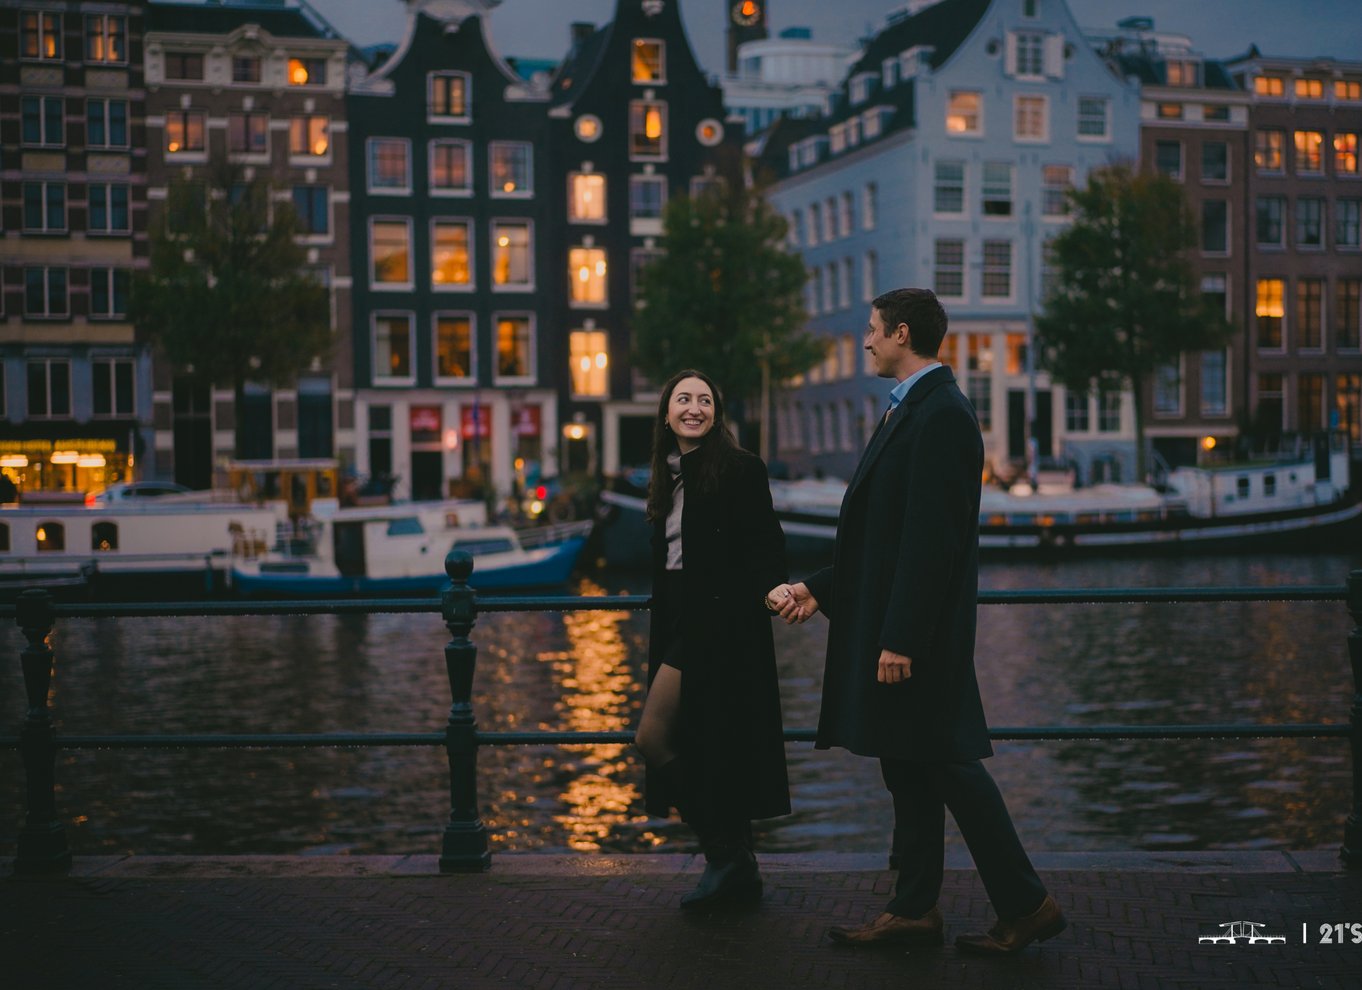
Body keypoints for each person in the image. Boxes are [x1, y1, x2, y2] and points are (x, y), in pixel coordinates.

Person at [769, 289, 1065, 954]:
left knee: (949, 764)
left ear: (902, 333)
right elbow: (885, 537)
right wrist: (818, 588)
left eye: (873, 330)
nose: (866, 341)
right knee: (907, 766)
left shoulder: (942, 415)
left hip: (916, 638)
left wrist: (901, 637)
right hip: (900, 629)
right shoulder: (914, 409)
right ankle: (914, 908)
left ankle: (1027, 905)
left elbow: (932, 542)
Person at [635, 369, 791, 909]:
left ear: (716, 414)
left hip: (721, 625)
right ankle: (732, 865)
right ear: (666, 413)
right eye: (683, 399)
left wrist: (775, 589)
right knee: (707, 744)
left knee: (653, 737)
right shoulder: (667, 475)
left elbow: (766, 544)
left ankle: (725, 854)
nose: (694, 408)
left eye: (705, 400)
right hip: (677, 621)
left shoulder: (741, 468)